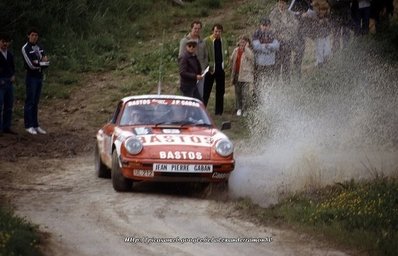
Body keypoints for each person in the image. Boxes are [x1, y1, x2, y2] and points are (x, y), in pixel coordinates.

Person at [22, 28, 49, 135]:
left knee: (36, 101)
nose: (34, 37)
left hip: (39, 76)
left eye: (36, 35)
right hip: (31, 77)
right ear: (28, 36)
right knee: (30, 101)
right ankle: (28, 125)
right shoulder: (26, 48)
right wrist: (40, 63)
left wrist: (40, 62)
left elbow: (46, 60)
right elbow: (31, 65)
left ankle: (36, 124)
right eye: (32, 35)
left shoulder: (40, 47)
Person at [269, 0, 298, 83]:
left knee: (287, 62)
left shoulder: (290, 13)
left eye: (283, 3)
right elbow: (274, 27)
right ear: (278, 3)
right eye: (280, 3)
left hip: (288, 40)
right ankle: (275, 82)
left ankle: (287, 82)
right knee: (277, 63)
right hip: (277, 41)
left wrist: (283, 28)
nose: (281, 5)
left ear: (286, 4)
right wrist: (286, 27)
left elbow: (295, 26)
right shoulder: (273, 13)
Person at [252, 18, 280, 103]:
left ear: (269, 26)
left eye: (266, 25)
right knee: (258, 82)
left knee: (269, 81)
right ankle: (256, 100)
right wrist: (267, 47)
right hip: (259, 63)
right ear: (260, 25)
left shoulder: (273, 34)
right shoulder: (256, 33)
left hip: (270, 62)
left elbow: (277, 46)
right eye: (263, 25)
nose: (265, 27)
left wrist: (266, 46)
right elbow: (255, 46)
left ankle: (268, 99)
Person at [203, 24, 228, 115]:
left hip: (220, 69)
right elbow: (204, 56)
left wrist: (225, 63)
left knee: (220, 91)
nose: (217, 33)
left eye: (219, 32)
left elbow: (226, 53)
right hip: (210, 69)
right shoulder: (207, 41)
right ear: (212, 31)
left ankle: (219, 112)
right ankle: (202, 109)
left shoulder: (223, 40)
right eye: (216, 31)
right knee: (206, 90)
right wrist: (208, 65)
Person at [178, 21, 208, 98]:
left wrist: (203, 68)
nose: (197, 30)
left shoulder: (202, 42)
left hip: (200, 73)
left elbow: (205, 56)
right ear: (191, 28)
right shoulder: (184, 41)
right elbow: (181, 57)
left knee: (199, 95)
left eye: (198, 29)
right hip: (188, 75)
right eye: (195, 28)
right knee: (187, 98)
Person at [230, 35, 254, 116]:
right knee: (238, 93)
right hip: (237, 74)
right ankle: (239, 108)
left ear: (247, 43)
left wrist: (246, 49)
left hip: (246, 76)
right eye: (241, 42)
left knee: (245, 94)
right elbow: (232, 60)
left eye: (244, 42)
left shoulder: (249, 51)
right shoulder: (236, 50)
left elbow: (251, 58)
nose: (242, 44)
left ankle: (245, 109)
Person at [305, 0, 333, 67]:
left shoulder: (327, 15)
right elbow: (309, 22)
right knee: (319, 52)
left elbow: (330, 26)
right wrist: (317, 22)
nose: (323, 11)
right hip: (318, 35)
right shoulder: (313, 14)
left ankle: (324, 63)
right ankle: (319, 65)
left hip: (326, 35)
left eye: (324, 10)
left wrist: (326, 21)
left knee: (328, 51)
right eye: (321, 10)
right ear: (318, 9)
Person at [0, 34, 17, 135]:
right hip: (0, 82)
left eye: (7, 42)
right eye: (3, 41)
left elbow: (13, 67)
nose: (5, 44)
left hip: (9, 82)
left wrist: (13, 75)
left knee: (9, 106)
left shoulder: (10, 55)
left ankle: (7, 127)